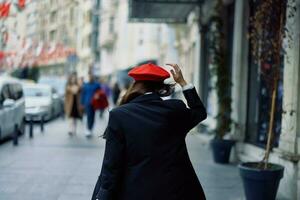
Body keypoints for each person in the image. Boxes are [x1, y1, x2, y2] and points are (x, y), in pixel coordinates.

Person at [91, 63, 207, 200]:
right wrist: (182, 83)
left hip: (136, 191)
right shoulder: (175, 109)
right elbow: (199, 112)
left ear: (135, 84)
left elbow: (112, 165)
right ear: (160, 87)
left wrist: (103, 195)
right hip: (176, 191)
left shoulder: (119, 114)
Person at [80, 72, 101, 137]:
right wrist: (82, 103)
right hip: (87, 103)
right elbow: (82, 94)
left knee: (93, 116)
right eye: (89, 77)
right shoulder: (85, 85)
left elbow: (100, 92)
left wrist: (98, 95)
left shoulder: (97, 84)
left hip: (94, 103)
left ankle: (90, 128)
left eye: (91, 77)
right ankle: (88, 129)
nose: (90, 78)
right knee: (89, 116)